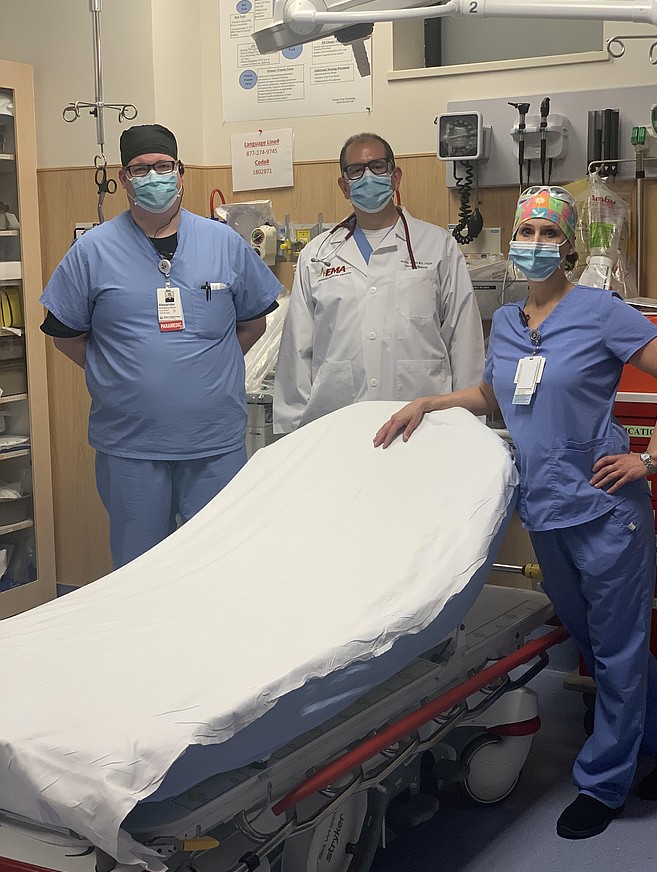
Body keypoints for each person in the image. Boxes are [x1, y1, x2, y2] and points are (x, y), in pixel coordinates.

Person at [374, 185, 657, 840]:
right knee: (598, 642)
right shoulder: (508, 320)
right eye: (525, 233)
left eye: (546, 234)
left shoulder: (599, 310)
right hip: (548, 510)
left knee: (618, 652)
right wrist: (430, 402)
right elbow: (493, 393)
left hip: (606, 510)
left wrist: (650, 459)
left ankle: (604, 782)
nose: (533, 245)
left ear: (567, 244)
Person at [40, 124, 281, 568]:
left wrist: (205, 371)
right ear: (124, 178)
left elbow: (253, 323)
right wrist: (120, 375)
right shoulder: (92, 251)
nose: (154, 176)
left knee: (216, 564)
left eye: (163, 166)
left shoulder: (224, 243)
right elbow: (66, 334)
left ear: (181, 172)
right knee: (138, 571)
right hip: (131, 447)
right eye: (141, 168)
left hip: (213, 444)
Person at [272, 132, 484, 433]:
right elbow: (296, 353)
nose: (367, 176)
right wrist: (292, 436)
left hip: (425, 430)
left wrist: (469, 429)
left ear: (395, 176)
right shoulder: (316, 256)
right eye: (356, 171)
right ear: (344, 186)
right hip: (337, 428)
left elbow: (465, 344)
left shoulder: (438, 247)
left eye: (377, 166)